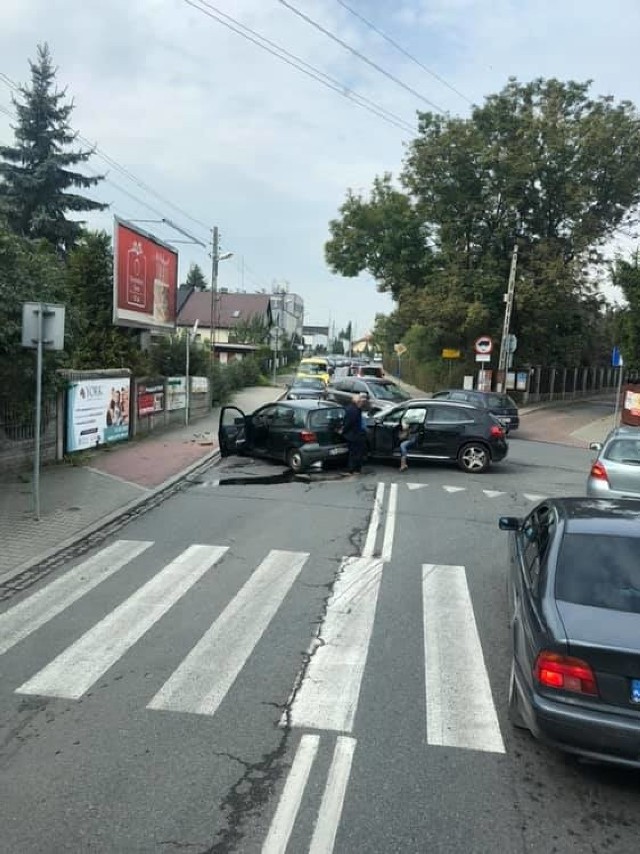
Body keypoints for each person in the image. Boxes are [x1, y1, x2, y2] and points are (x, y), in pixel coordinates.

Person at [341, 392, 369, 474]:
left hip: (355, 435)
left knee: (356, 453)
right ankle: (354, 469)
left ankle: (354, 469)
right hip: (355, 435)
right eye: (361, 401)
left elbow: (349, 423)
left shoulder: (354, 409)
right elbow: (350, 423)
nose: (362, 403)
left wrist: (343, 431)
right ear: (357, 402)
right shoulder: (354, 410)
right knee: (355, 453)